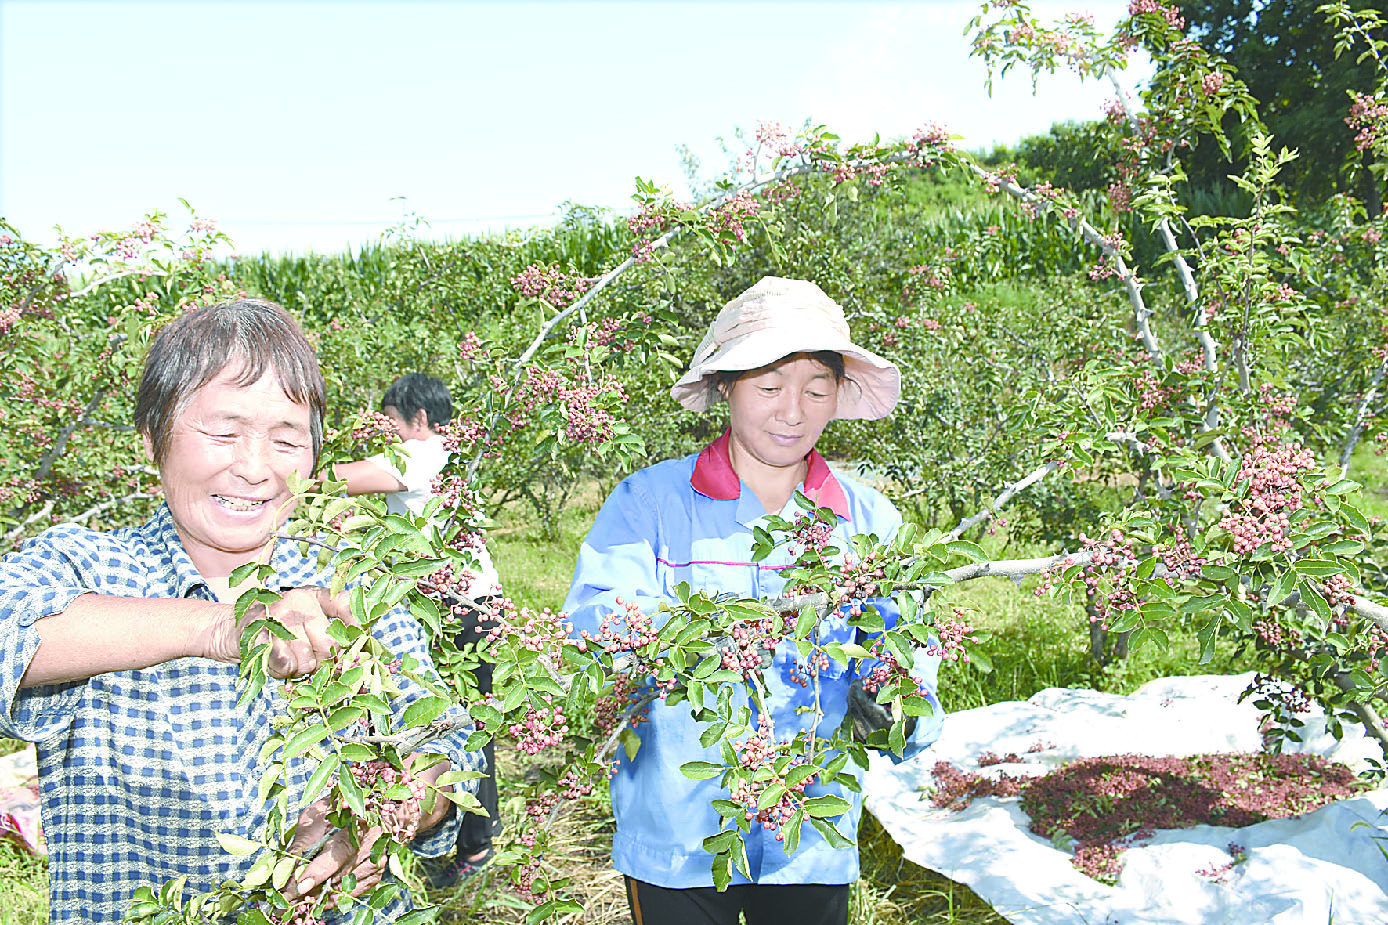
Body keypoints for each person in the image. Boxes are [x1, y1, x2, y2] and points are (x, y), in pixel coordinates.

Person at [0, 299, 482, 924]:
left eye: (286, 439)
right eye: (223, 434)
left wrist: (397, 806)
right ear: (152, 438)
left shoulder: (347, 583)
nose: (255, 469)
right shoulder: (89, 568)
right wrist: (223, 628)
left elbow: (448, 749)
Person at [562, 276, 945, 925]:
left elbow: (910, 658)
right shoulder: (650, 504)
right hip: (679, 825)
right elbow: (598, 626)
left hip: (807, 828)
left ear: (836, 398)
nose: (792, 410)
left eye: (815, 389)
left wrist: (898, 707)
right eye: (769, 386)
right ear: (726, 388)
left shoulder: (870, 523)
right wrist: (704, 636)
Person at [333, 372, 503, 887]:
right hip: (467, 603)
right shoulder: (451, 457)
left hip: (460, 607)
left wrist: (287, 473)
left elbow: (336, 480)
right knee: (469, 718)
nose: (387, 431)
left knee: (461, 722)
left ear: (420, 419)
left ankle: (474, 844)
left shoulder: (425, 453)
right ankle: (471, 834)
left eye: (390, 420)